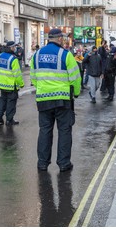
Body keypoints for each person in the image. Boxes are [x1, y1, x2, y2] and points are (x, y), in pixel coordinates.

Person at [30, 28, 81, 172]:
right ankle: (64, 163)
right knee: (64, 130)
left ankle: (42, 163)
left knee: (45, 130)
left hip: (43, 98)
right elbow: (75, 78)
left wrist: (42, 87)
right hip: (62, 99)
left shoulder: (36, 55)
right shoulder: (65, 55)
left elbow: (33, 77)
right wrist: (75, 93)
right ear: (59, 39)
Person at [0, 41, 24, 126]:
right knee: (11, 102)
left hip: (1, 84)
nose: (15, 48)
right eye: (14, 47)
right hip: (11, 85)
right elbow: (17, 74)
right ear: (11, 48)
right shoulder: (13, 59)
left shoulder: (0, 55)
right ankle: (9, 120)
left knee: (3, 99)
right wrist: (21, 84)